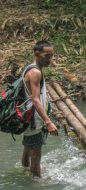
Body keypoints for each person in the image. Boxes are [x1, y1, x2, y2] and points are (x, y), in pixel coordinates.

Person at [21, 41, 58, 177]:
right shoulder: (35, 72)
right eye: (47, 56)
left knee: (27, 148)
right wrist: (48, 122)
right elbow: (35, 99)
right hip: (34, 120)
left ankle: (24, 172)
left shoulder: (30, 68)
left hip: (28, 117)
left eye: (51, 56)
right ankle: (36, 184)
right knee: (36, 156)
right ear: (37, 54)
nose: (50, 59)